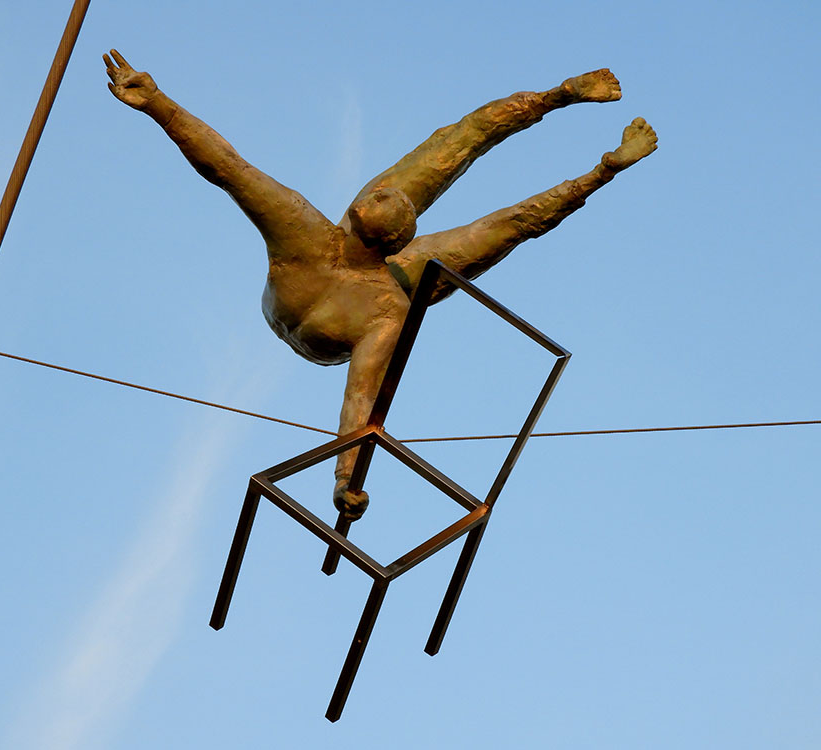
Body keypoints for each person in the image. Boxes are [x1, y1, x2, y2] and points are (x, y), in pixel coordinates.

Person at [104, 49, 657, 521]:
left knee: (503, 228)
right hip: (330, 288)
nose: (378, 192)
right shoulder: (303, 229)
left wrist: (344, 476)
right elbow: (228, 168)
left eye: (381, 198)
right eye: (378, 194)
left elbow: (360, 396)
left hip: (364, 300)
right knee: (456, 141)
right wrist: (159, 104)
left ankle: (604, 169)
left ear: (377, 229)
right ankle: (559, 95)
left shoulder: (387, 309)